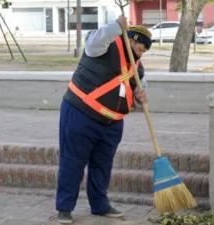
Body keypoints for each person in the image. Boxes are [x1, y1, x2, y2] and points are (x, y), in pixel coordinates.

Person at [56, 15, 152, 224]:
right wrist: (117, 26)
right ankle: (64, 207)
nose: (141, 52)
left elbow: (139, 96)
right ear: (131, 39)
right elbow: (94, 42)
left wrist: (140, 97)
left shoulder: (138, 69)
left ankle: (99, 205)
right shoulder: (103, 45)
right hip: (81, 114)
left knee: (103, 165)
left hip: (112, 124)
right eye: (140, 47)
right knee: (73, 162)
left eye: (144, 50)